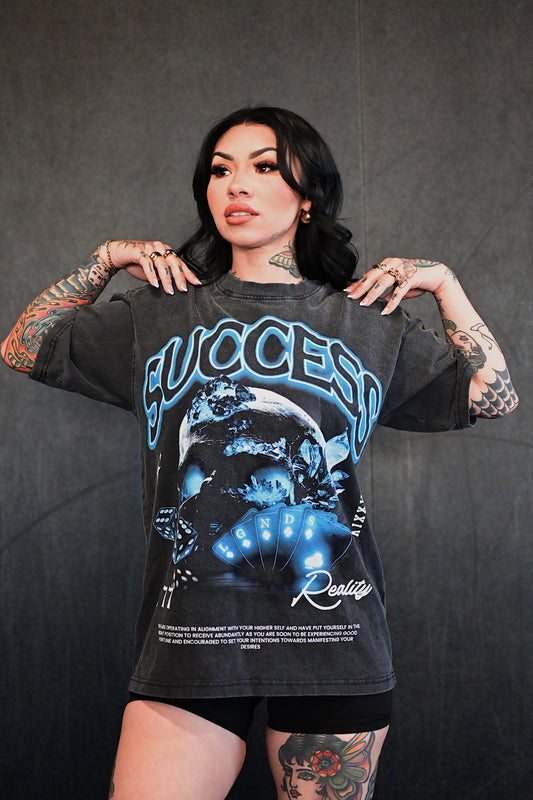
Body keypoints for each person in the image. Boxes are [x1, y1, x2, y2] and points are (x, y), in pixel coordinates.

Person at [1, 106, 518, 800]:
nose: (235, 185)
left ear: (308, 197)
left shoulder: (367, 321)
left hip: (332, 640)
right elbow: (23, 346)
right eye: (220, 171)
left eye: (264, 166)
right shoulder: (160, 314)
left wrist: (446, 284)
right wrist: (105, 260)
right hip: (191, 642)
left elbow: (491, 397)